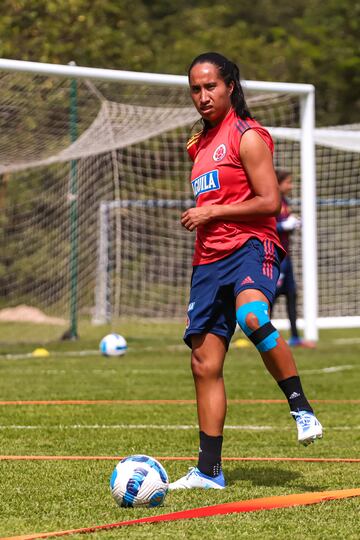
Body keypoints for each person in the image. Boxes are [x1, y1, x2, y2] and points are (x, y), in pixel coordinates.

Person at [169, 52, 322, 491]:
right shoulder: (197, 145)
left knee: (252, 316)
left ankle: (300, 407)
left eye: (210, 86)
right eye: (195, 89)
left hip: (252, 246)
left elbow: (270, 201)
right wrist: (207, 220)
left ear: (230, 85)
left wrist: (211, 212)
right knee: (204, 363)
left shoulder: (249, 136)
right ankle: (208, 471)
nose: (202, 96)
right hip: (208, 262)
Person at [274, 169, 315, 348]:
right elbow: (264, 227)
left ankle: (295, 338)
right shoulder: (271, 200)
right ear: (278, 183)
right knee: (271, 296)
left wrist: (293, 222)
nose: (290, 186)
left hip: (286, 257)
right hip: (275, 257)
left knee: (291, 294)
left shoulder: (284, 202)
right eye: (288, 182)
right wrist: (283, 225)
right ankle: (258, 336)